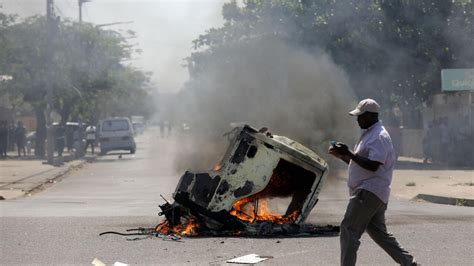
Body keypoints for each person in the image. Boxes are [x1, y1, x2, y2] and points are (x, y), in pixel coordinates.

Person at [328, 99, 417, 266]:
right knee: (379, 234)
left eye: (360, 117)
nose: (358, 120)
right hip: (373, 192)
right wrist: (342, 155)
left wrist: (350, 153)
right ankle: (409, 263)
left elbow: (373, 166)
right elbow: (361, 164)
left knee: (349, 229)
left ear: (370, 116)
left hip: (368, 191)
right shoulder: (370, 134)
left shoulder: (379, 136)